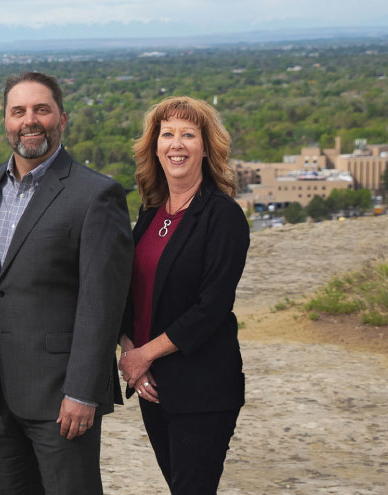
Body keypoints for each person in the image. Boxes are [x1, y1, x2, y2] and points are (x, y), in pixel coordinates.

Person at [0, 71, 132, 495]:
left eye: (42, 109)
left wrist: (83, 391)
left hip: (61, 395)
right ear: (5, 120)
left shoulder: (96, 195)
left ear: (62, 118)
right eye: (18, 111)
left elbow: (101, 303)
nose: (30, 120)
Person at [119, 96, 249, 494]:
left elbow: (211, 308)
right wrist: (127, 347)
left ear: (206, 148)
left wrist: (142, 355)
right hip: (153, 385)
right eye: (168, 134)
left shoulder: (223, 216)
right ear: (155, 146)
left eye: (188, 135)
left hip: (202, 388)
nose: (176, 144)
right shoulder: (151, 211)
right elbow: (130, 292)